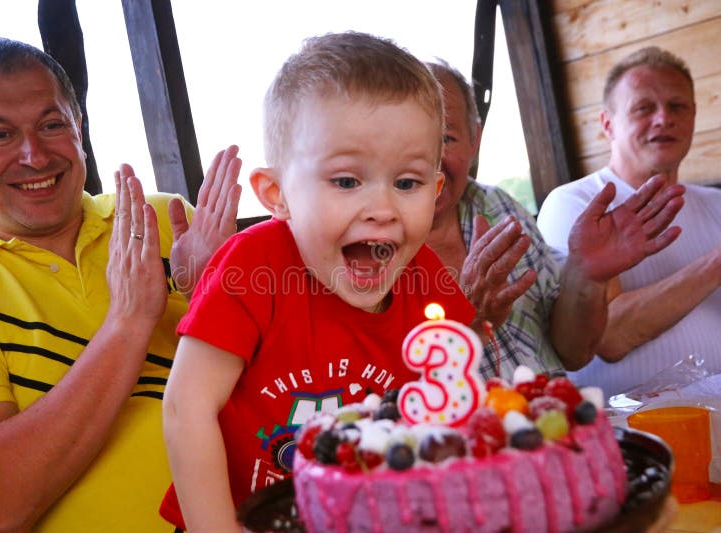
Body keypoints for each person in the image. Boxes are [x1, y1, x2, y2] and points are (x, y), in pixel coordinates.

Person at [159, 32, 478, 531]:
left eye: (407, 183)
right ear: (277, 194)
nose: (382, 210)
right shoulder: (252, 268)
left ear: (436, 191)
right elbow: (186, 407)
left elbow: (448, 415)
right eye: (347, 181)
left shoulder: (431, 288)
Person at [0, 37, 241, 532]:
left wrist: (222, 292)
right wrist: (130, 321)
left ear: (79, 129)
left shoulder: (164, 220)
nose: (34, 155)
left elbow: (300, 379)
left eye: (52, 125)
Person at [425, 60, 686, 381]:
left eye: (447, 138)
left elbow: (573, 353)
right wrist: (467, 323)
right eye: (408, 136)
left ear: (474, 140)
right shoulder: (363, 248)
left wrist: (587, 275)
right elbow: (383, 407)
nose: (428, 158)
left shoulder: (497, 207)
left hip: (556, 424)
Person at [537, 46, 721, 398]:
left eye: (677, 106)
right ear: (608, 124)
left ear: (694, 117)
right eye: (644, 108)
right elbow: (609, 335)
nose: (663, 118)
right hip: (631, 435)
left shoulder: (718, 205)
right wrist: (715, 264)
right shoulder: (575, 203)